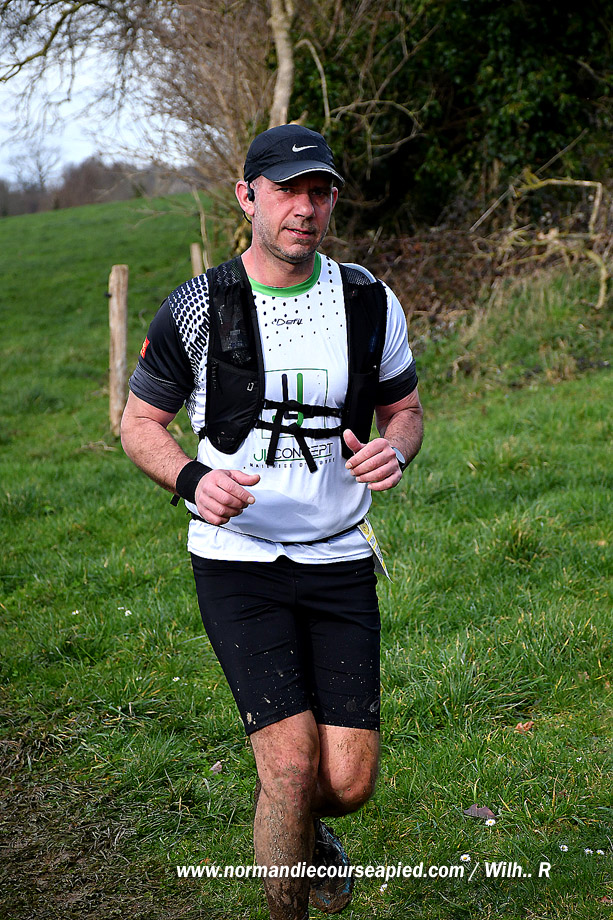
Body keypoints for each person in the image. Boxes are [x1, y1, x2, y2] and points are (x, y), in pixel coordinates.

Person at [121, 123, 423, 920]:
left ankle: (311, 832)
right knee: (288, 766)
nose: (305, 208)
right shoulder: (198, 305)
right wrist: (193, 478)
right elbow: (138, 423)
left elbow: (405, 409)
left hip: (338, 556)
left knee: (345, 782)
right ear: (246, 197)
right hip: (236, 557)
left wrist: (394, 449)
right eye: (287, 191)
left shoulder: (366, 299)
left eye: (319, 192)